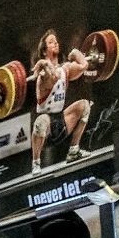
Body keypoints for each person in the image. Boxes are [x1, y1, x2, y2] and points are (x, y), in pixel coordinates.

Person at [29, 29, 91, 167]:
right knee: (40, 122)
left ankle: (74, 150)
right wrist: (43, 64)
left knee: (85, 106)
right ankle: (36, 163)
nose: (55, 43)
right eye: (51, 42)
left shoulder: (65, 69)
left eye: (56, 41)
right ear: (44, 51)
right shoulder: (43, 74)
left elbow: (84, 66)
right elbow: (53, 77)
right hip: (47, 128)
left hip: (62, 121)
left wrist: (76, 53)